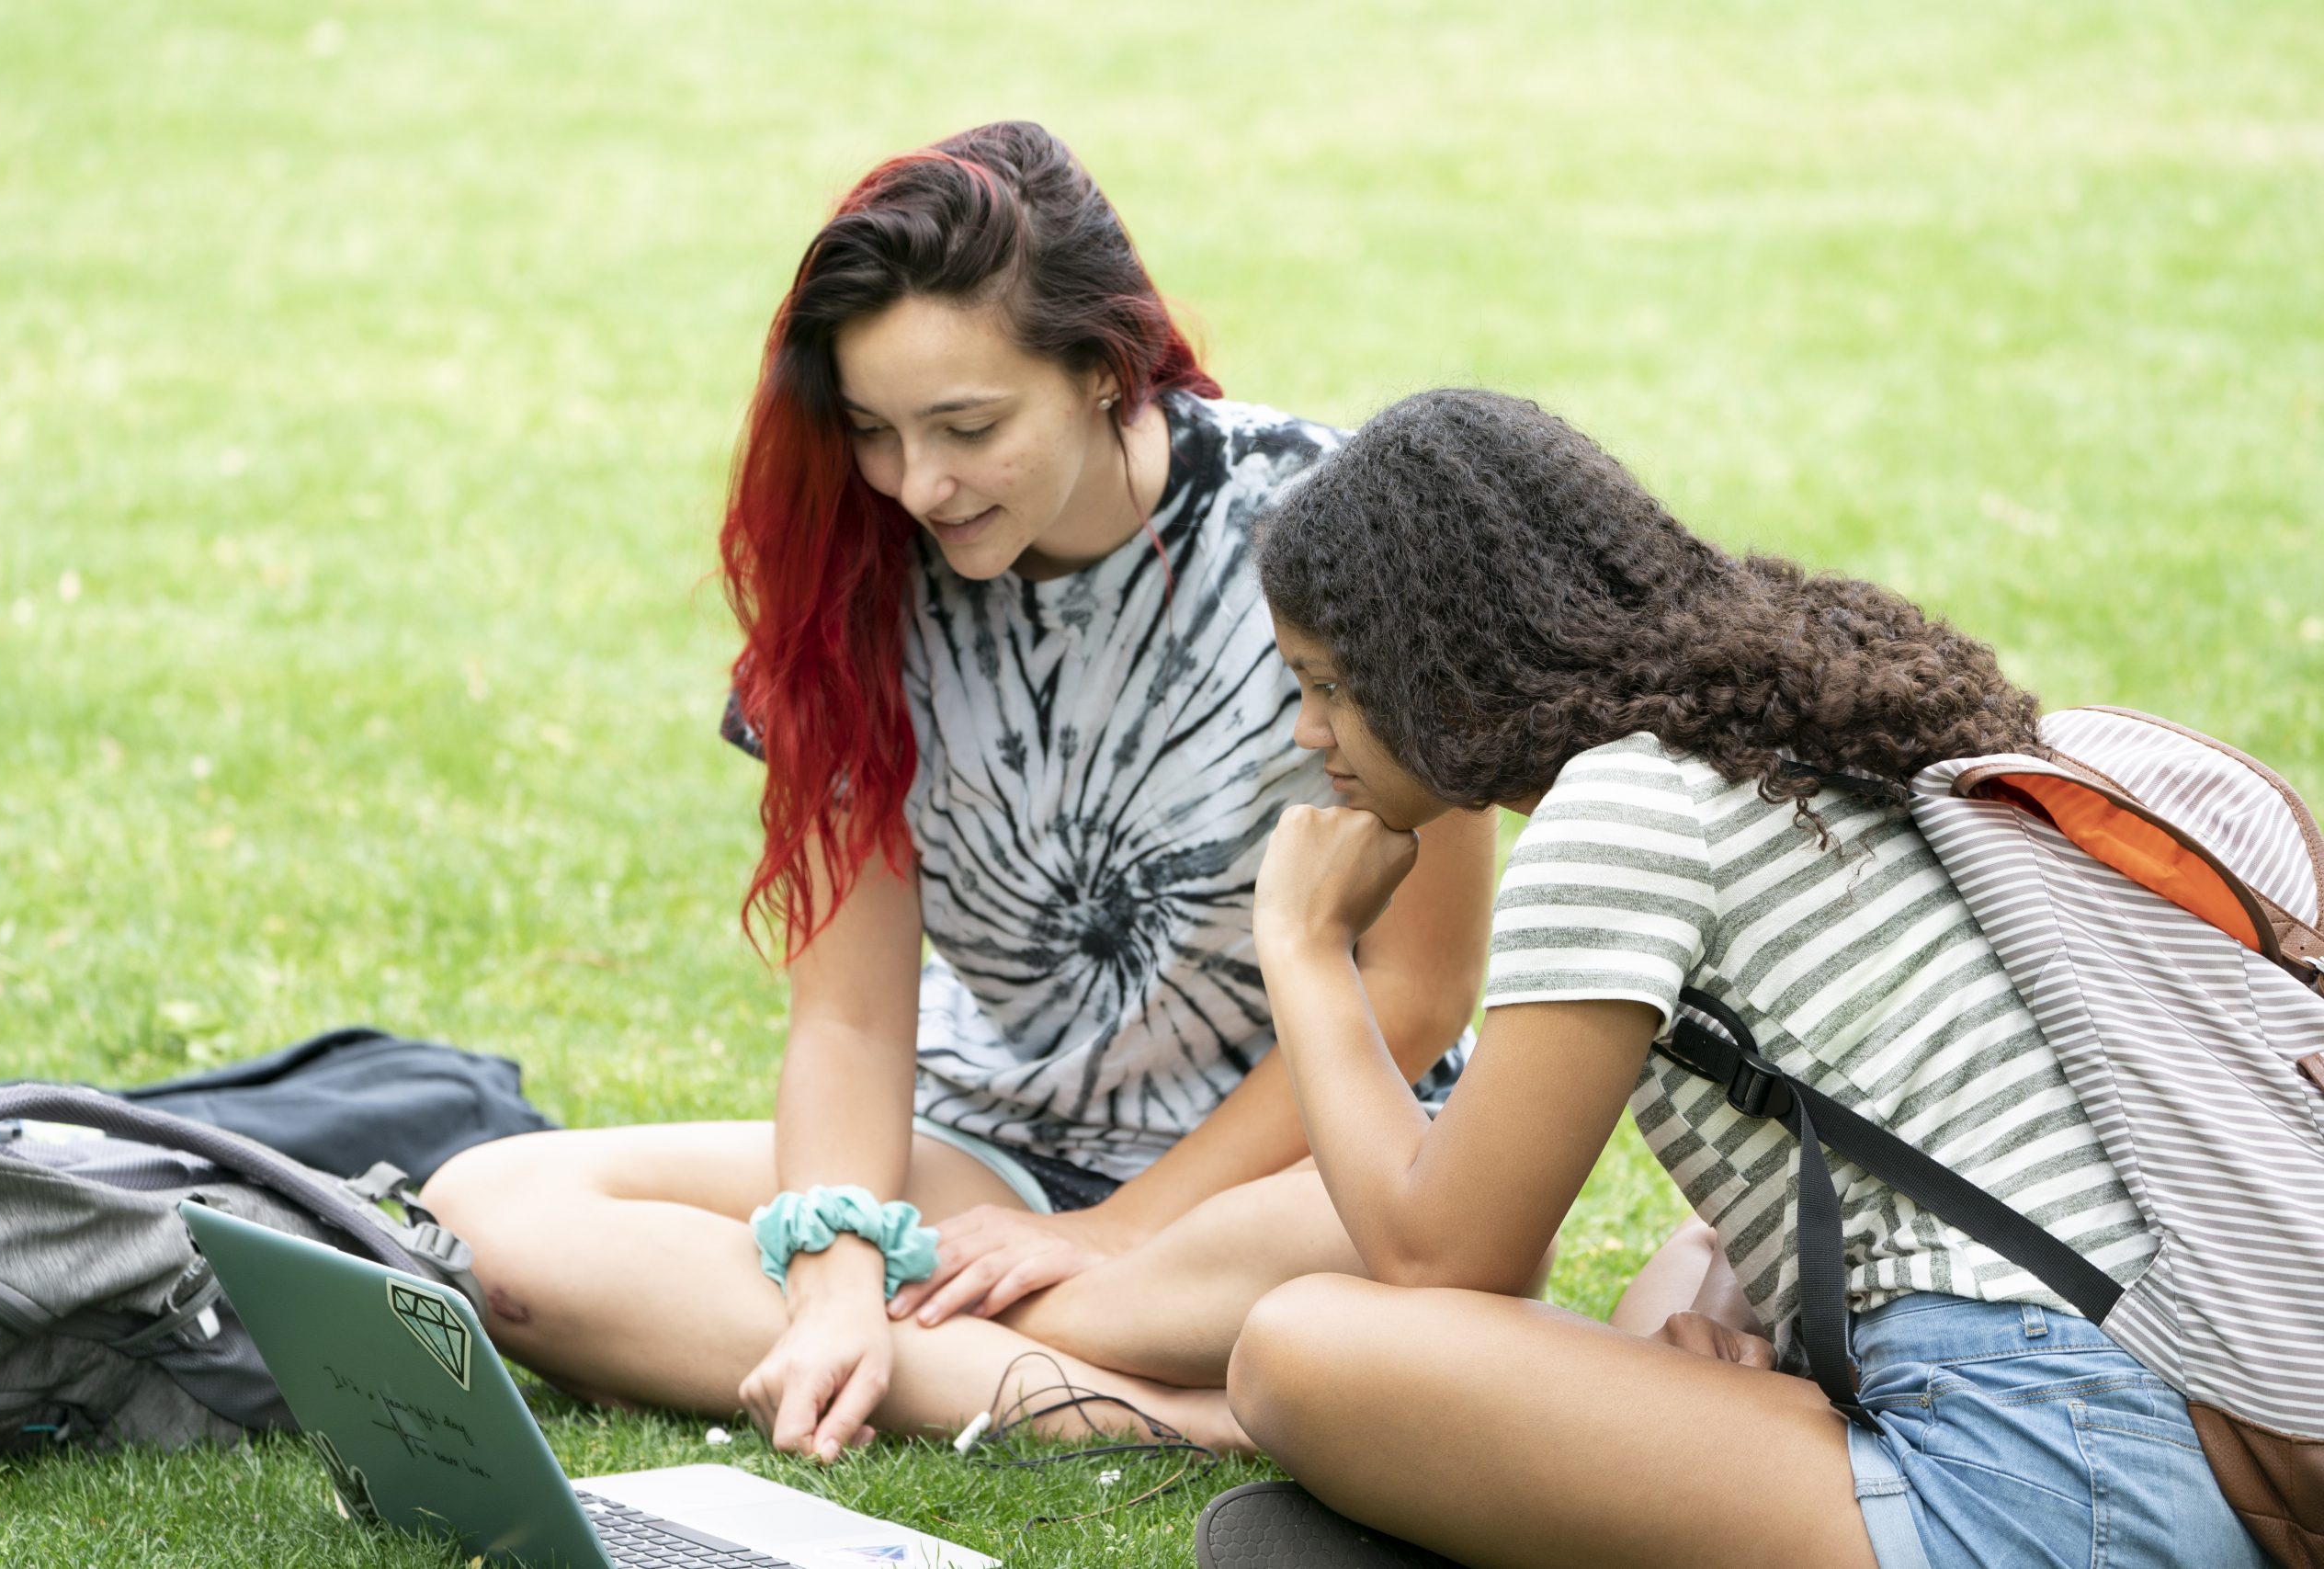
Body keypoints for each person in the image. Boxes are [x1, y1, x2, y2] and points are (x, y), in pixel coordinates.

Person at [421, 124, 1496, 1462]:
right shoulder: (855, 574)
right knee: (487, 1211)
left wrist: (1113, 1231)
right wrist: (834, 1272)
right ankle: (1158, 1410)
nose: (917, 484)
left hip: (1297, 1167)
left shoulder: (1343, 533)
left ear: (1104, 367)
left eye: (969, 427)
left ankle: (988, 1342)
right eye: (873, 431)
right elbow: (852, 1020)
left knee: (1436, 1240)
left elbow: (1420, 991)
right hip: (988, 1155)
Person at [1213, 388, 2268, 1567]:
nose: (1310, 733)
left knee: (1298, 1346)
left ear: (1440, 667)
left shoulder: (1622, 807)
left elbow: (1440, 1259)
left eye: (1329, 685)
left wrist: (1305, 948)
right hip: (2162, 1436)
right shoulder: (1770, 739)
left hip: (2041, 1472)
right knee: (1674, 1289)